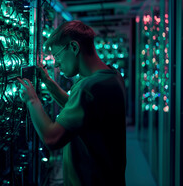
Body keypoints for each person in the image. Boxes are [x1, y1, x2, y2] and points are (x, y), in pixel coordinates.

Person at [17, 20, 126, 186]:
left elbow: (52, 138)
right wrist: (47, 81)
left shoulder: (87, 87)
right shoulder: (111, 75)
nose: (57, 63)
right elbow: (79, 109)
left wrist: (32, 100)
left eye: (58, 56)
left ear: (74, 48)